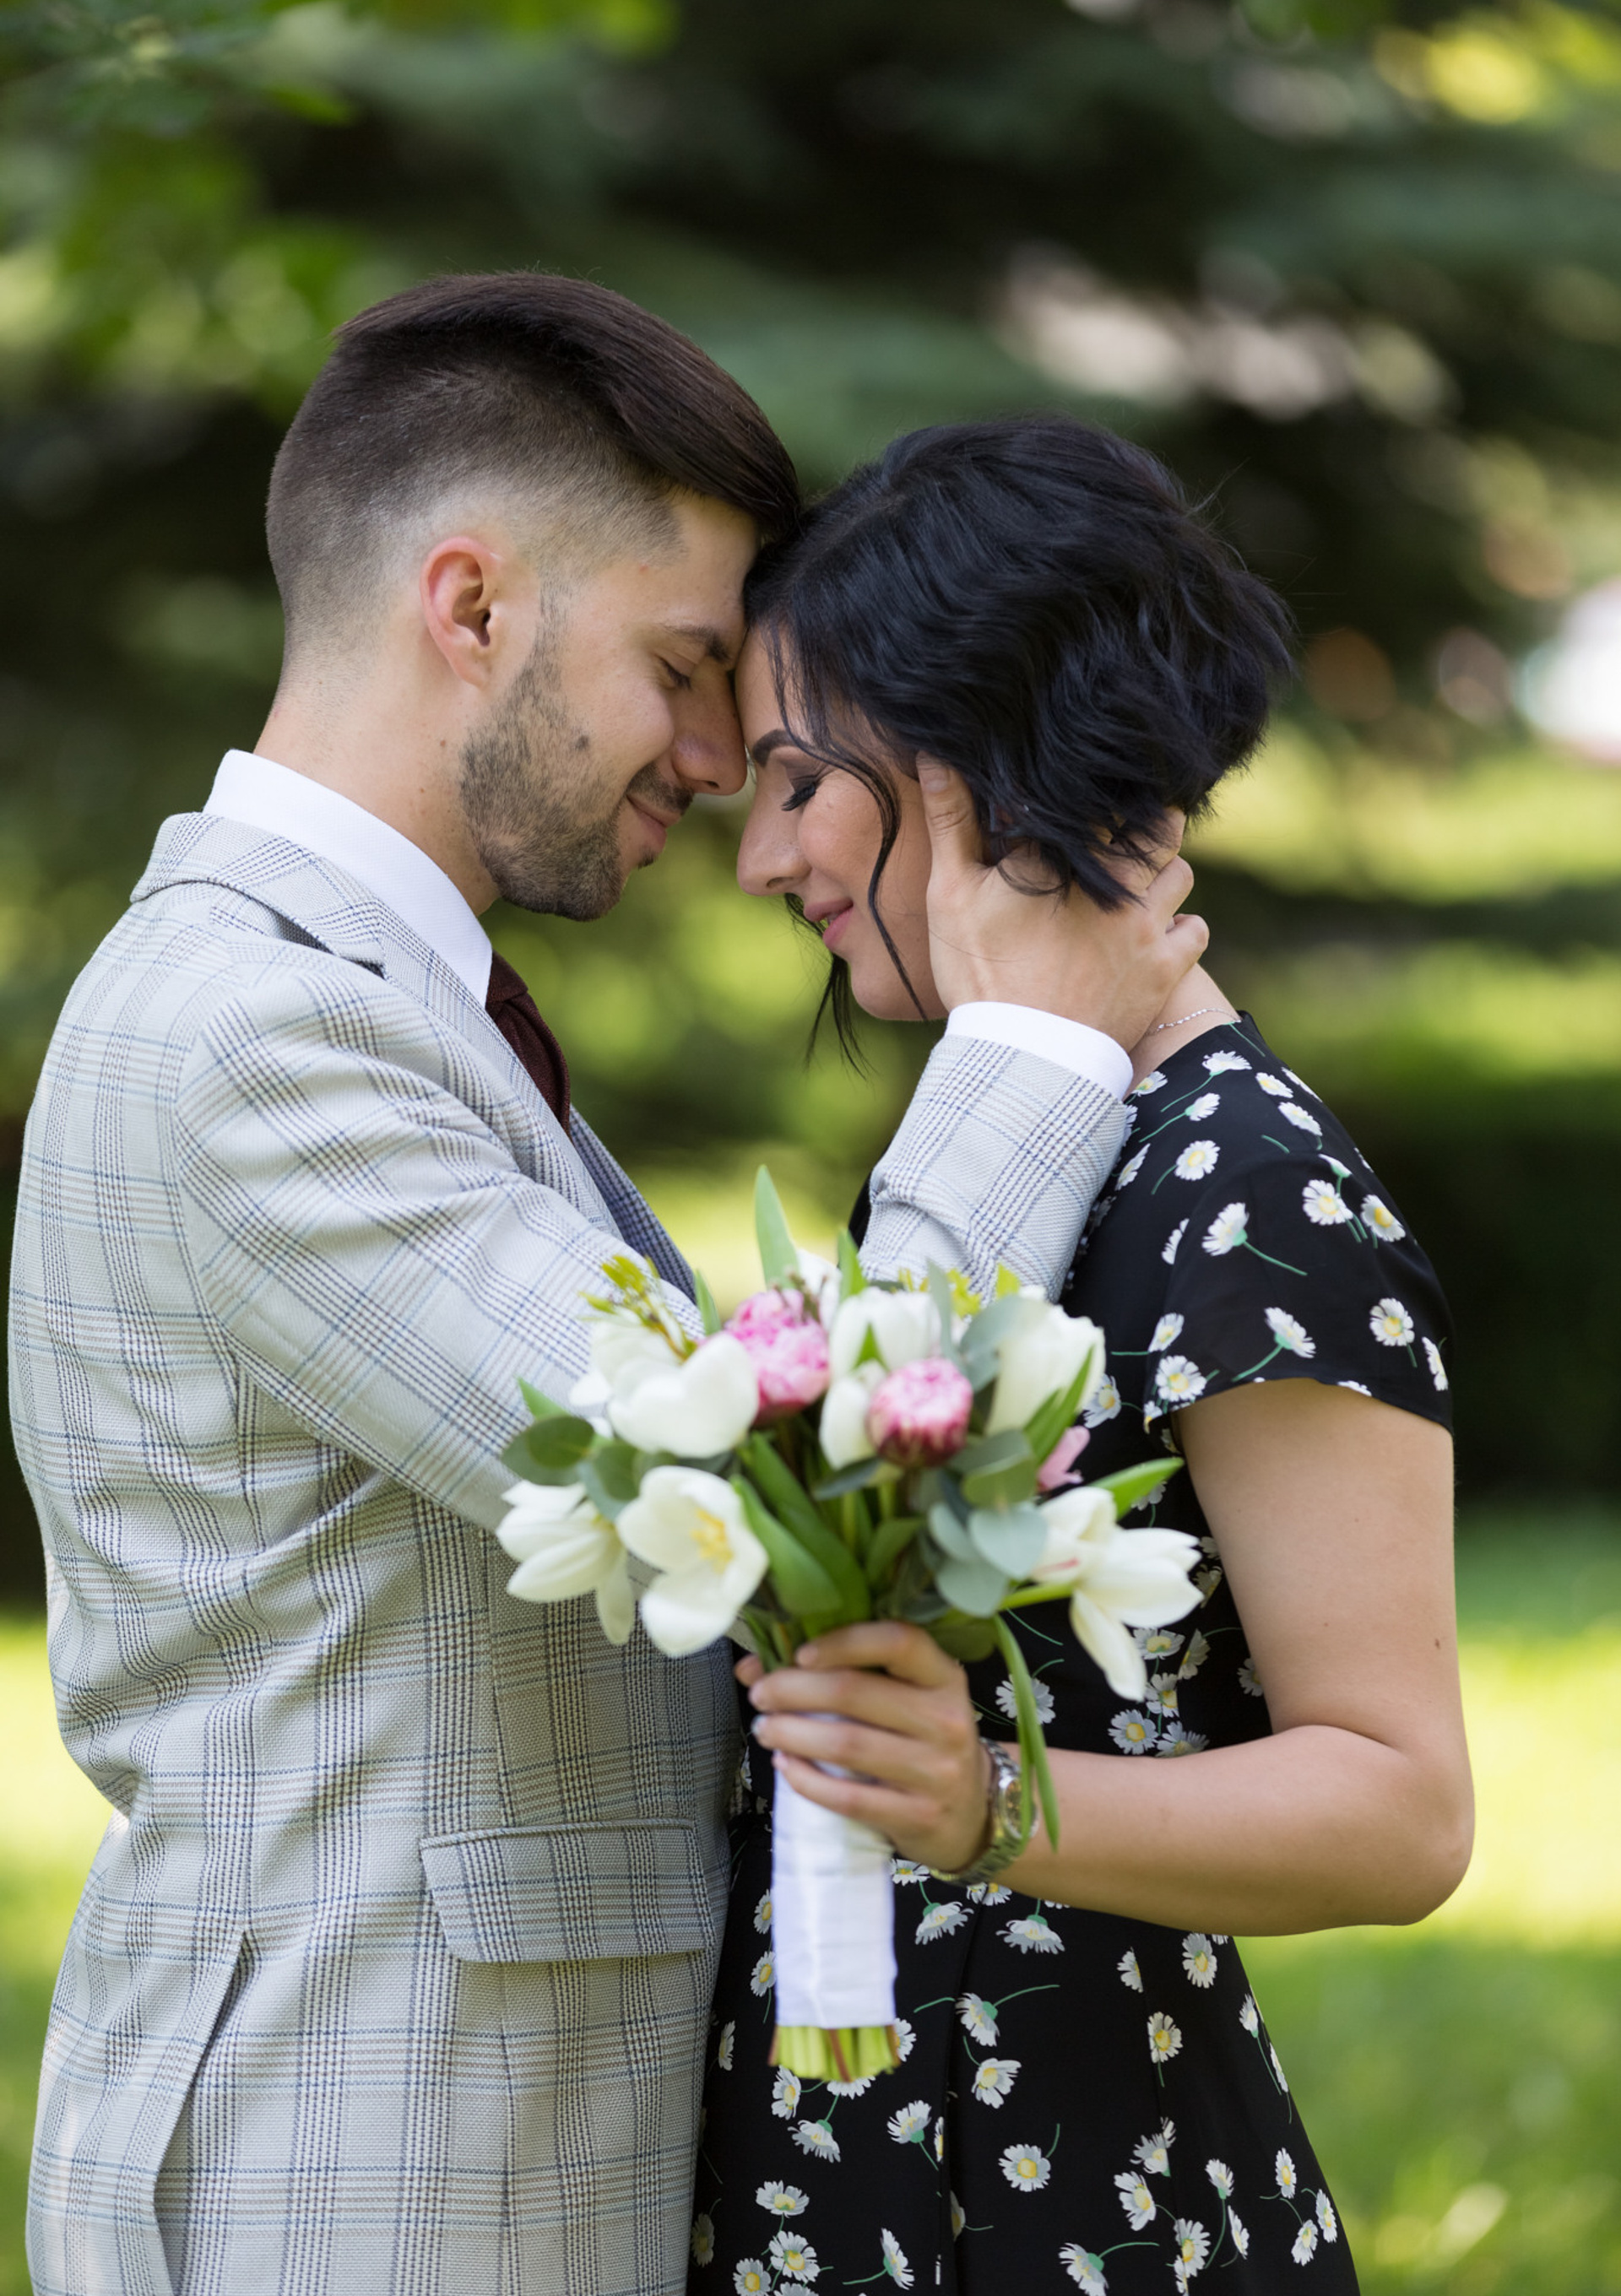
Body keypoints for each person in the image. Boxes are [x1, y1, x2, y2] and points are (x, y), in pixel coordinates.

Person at [10, 283, 1208, 2296]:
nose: (733, 752)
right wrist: (1039, 1043)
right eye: (682, 664)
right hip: (357, 2173)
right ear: (469, 606)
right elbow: (772, 1494)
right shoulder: (258, 1034)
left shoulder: (386, 1006)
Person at [694, 417, 1472, 2294]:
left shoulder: (1241, 1188)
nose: (759, 856)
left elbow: (1399, 1799)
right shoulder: (1021, 1129)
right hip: (877, 2144)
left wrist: (986, 1810)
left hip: (1065, 2191)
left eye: (804, 779)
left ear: (970, 762)